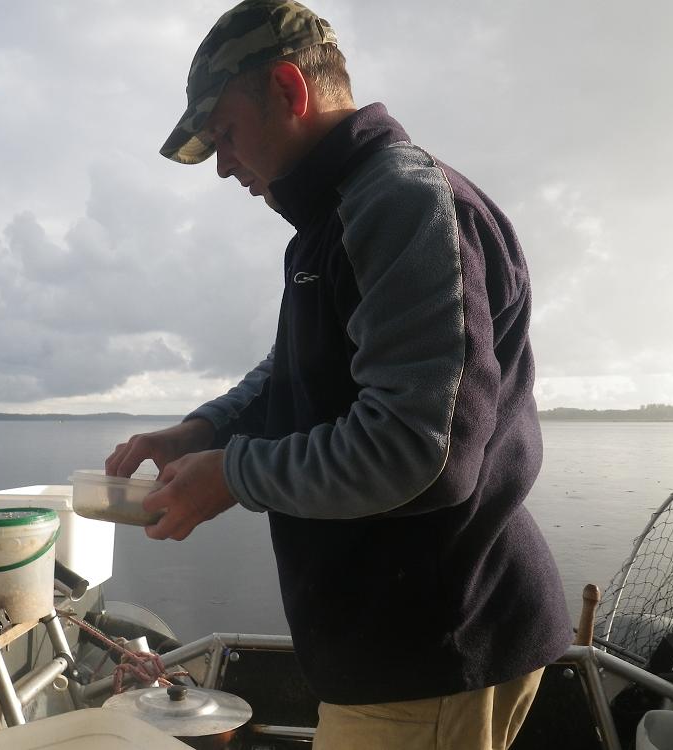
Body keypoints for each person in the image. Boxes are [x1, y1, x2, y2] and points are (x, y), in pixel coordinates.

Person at [105, 1, 572, 747]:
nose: (222, 165)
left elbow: (421, 451)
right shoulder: (338, 215)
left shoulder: (400, 202)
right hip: (396, 652)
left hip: (430, 654)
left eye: (225, 133)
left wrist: (232, 475)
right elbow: (292, 369)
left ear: (289, 89)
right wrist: (204, 430)